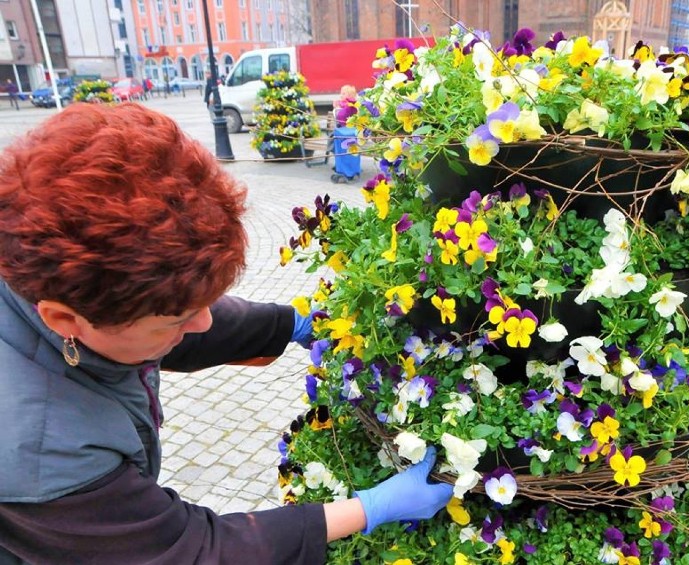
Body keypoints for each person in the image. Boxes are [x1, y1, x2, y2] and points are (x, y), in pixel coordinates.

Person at [0, 103, 453, 563]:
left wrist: (289, 322)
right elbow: (188, 551)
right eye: (177, 320)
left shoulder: (51, 276)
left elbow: (167, 315)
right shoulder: (34, 451)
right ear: (64, 320)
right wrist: (367, 509)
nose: (204, 323)